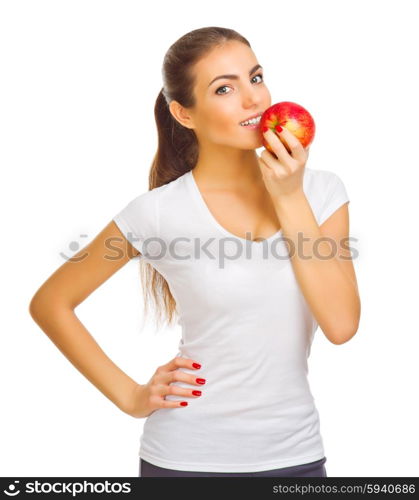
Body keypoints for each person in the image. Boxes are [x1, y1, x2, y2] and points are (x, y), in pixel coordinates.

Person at [29, 26, 361, 478]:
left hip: (295, 458)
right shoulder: (158, 213)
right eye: (224, 88)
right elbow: (51, 303)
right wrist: (130, 396)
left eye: (256, 78)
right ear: (184, 114)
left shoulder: (321, 192)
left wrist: (288, 197)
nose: (254, 100)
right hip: (183, 461)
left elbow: (341, 325)